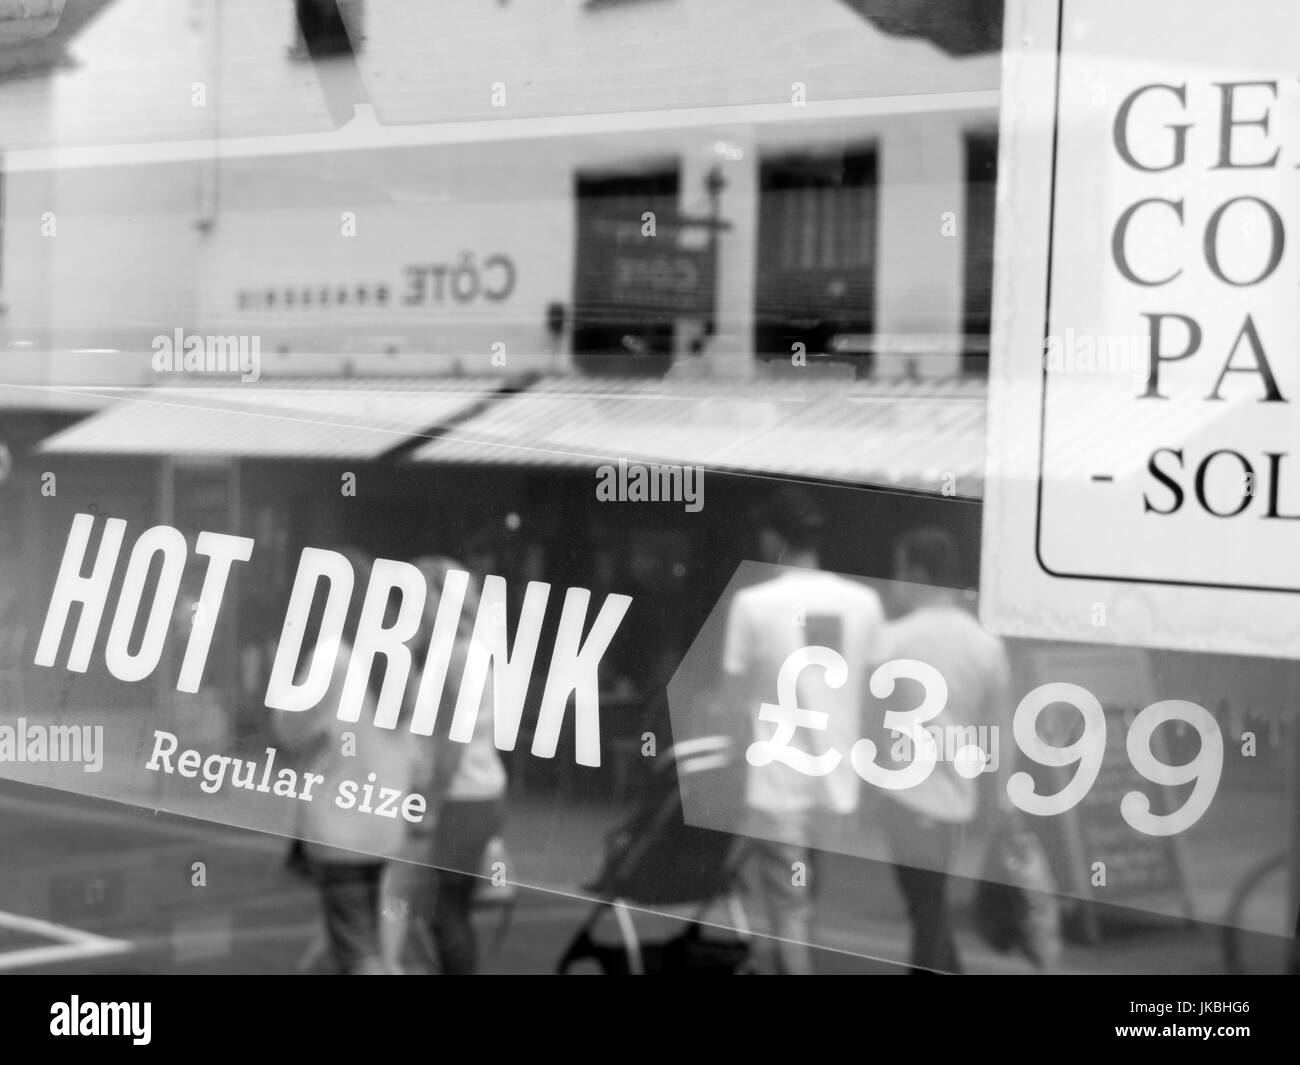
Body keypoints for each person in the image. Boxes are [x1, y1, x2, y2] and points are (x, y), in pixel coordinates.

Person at [721, 486, 886, 974]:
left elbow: (732, 701)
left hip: (777, 784)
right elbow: (876, 697)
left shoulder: (753, 604)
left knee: (788, 907)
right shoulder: (864, 602)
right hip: (836, 787)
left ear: (772, 536)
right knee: (805, 895)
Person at [274, 548, 419, 975]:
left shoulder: (332, 658)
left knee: (358, 952)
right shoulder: (397, 657)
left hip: (340, 826)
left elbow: (287, 728)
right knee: (365, 933)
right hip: (387, 820)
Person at [877, 527, 1013, 974]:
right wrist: (1001, 802)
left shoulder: (893, 638)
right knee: (929, 909)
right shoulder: (986, 645)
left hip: (904, 797)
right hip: (958, 801)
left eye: (899, 569)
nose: (895, 581)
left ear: (917, 572)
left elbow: (869, 722)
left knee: (927, 913)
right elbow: (998, 733)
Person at [399, 556, 508, 975]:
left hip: (461, 799)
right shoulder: (474, 650)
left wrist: (429, 803)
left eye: (422, 596)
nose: (417, 607)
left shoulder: (455, 654)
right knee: (453, 907)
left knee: (446, 911)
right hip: (484, 793)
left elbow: (450, 741)